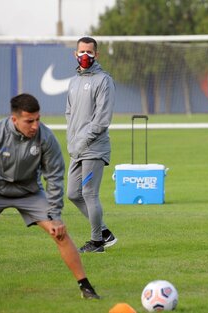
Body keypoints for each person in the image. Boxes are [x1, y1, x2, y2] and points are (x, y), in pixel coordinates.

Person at [0, 93, 100, 299]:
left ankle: (86, 287)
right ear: (14, 119)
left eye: (38, 119)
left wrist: (55, 216)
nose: (35, 125)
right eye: (29, 121)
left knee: (59, 232)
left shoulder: (46, 137)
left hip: (29, 192)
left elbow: (54, 178)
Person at [66, 36, 117, 253]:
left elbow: (102, 119)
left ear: (96, 54)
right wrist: (72, 141)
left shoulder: (104, 80)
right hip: (76, 148)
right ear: (75, 54)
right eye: (81, 52)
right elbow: (69, 113)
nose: (85, 56)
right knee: (72, 193)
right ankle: (104, 231)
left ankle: (97, 242)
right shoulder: (74, 81)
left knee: (89, 193)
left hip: (94, 148)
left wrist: (83, 141)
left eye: (89, 52)